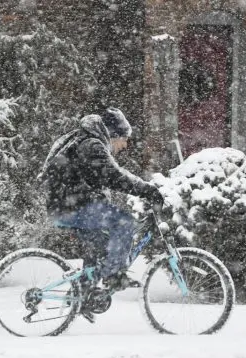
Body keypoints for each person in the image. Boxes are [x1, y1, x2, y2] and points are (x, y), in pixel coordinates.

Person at [39, 107, 164, 318]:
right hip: (71, 206)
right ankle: (114, 276)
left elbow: (104, 178)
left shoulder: (86, 141)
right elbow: (114, 177)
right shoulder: (93, 145)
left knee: (97, 247)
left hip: (66, 205)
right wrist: (147, 190)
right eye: (124, 138)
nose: (124, 145)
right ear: (113, 133)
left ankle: (83, 297)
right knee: (124, 222)